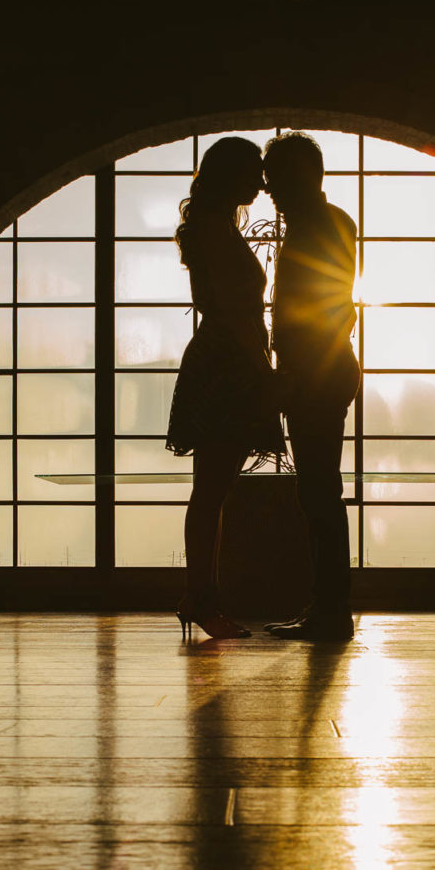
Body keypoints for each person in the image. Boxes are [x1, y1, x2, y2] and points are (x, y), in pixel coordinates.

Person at [167, 136, 284, 640]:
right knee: (211, 492)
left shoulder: (213, 228)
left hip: (221, 360)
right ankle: (201, 599)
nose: (261, 182)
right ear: (230, 175)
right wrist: (261, 369)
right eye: (253, 172)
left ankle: (201, 597)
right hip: (228, 365)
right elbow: (237, 312)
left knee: (211, 492)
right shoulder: (217, 231)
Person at [262, 132, 361, 641]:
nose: (269, 188)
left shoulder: (312, 229)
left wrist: (291, 374)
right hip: (326, 369)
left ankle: (329, 609)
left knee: (318, 493)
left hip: (314, 373)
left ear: (302, 177)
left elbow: (313, 310)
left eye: (276, 178)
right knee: (321, 491)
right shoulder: (334, 222)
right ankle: (329, 606)